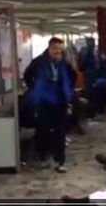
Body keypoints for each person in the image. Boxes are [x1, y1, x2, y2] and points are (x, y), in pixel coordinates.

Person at [23, 37, 73, 173]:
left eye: (60, 50)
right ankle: (43, 157)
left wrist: (68, 99)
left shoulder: (63, 64)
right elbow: (27, 76)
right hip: (44, 102)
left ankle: (60, 160)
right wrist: (35, 90)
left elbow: (71, 78)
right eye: (55, 49)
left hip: (60, 102)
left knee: (60, 131)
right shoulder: (38, 62)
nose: (58, 52)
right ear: (49, 48)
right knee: (43, 130)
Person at [79, 38, 99, 120]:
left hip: (90, 76)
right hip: (90, 76)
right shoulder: (88, 52)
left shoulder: (87, 52)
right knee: (90, 95)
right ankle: (90, 114)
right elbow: (82, 64)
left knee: (91, 95)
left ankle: (91, 114)